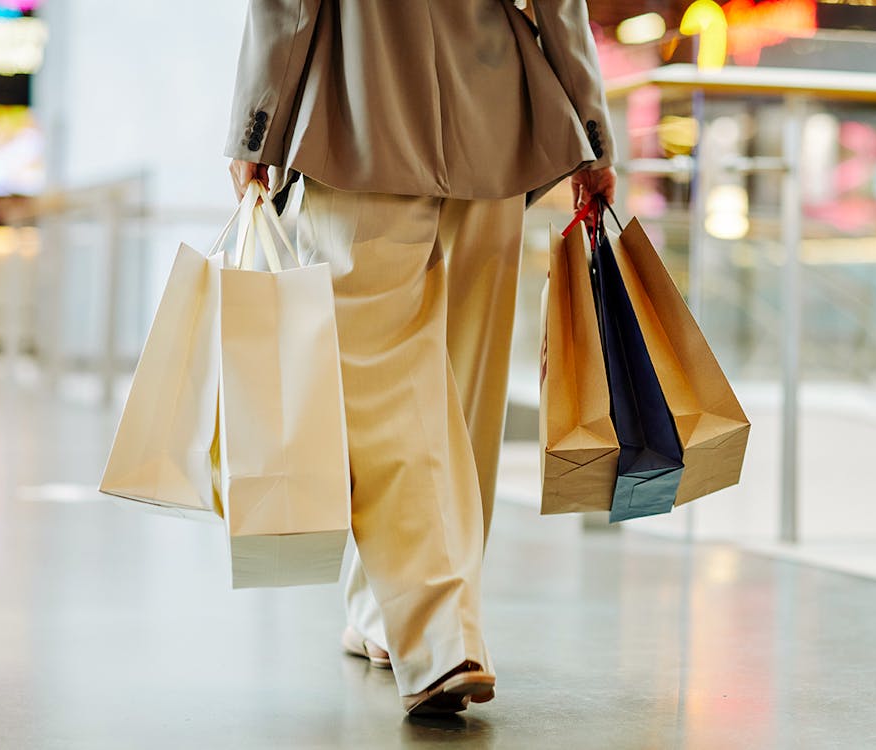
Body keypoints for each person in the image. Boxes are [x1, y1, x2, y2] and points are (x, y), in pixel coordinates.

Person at [224, 0, 617, 716]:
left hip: (361, 107)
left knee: (381, 385)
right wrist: (588, 130)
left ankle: (436, 634)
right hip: (496, 111)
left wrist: (259, 121)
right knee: (465, 386)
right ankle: (396, 613)